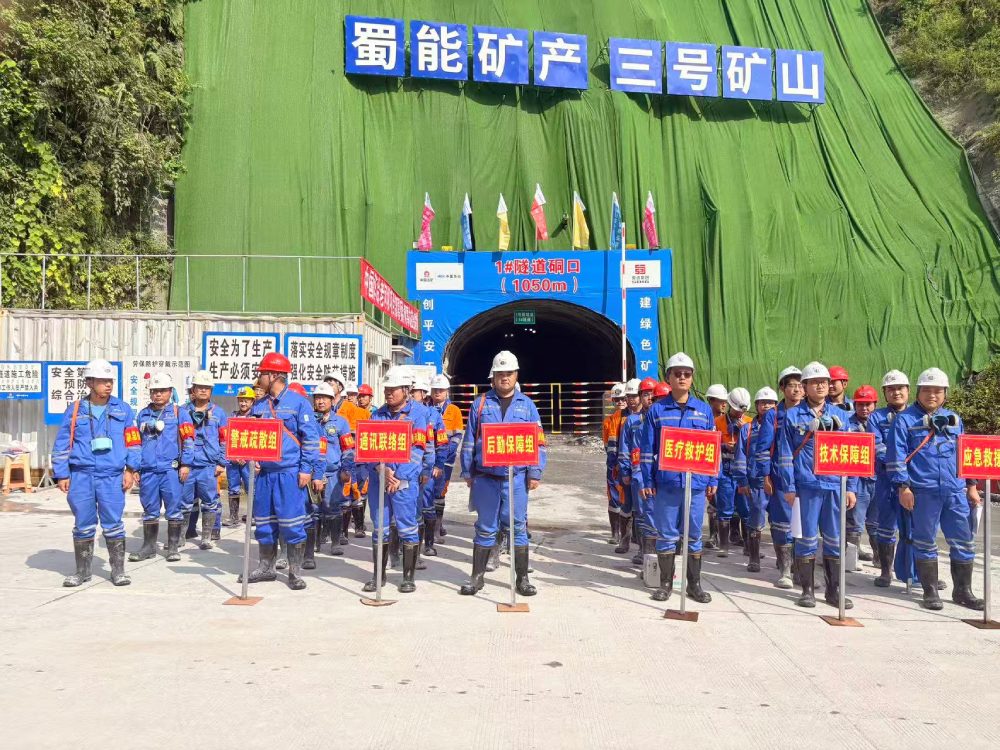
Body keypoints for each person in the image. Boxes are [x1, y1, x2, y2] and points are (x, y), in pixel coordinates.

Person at [886, 368, 984, 611]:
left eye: (938, 391)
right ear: (918, 392)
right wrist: (903, 487)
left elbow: (965, 454)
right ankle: (929, 591)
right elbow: (896, 457)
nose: (932, 395)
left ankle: (963, 591)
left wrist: (972, 486)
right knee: (925, 541)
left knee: (964, 540)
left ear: (945, 394)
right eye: (927, 390)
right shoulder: (904, 420)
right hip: (923, 491)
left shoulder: (954, 419)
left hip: (954, 491)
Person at [460, 351, 547, 597]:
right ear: (493, 377)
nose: (504, 378)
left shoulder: (527, 406)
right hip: (486, 478)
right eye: (500, 374)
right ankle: (477, 578)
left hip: (516, 478)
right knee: (485, 527)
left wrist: (535, 472)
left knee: (518, 527)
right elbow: (469, 440)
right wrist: (467, 470)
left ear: (516, 375)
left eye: (509, 373)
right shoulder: (480, 404)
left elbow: (539, 442)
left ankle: (522, 579)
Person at [777, 362, 859, 609]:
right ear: (805, 387)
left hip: (835, 485)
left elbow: (852, 454)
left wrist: (851, 487)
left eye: (824, 382)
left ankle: (834, 592)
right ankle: (807, 591)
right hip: (807, 486)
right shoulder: (792, 416)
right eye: (814, 382)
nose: (821, 386)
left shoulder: (842, 416)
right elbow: (785, 454)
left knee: (834, 539)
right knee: (806, 539)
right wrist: (789, 487)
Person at [52, 359, 141, 587]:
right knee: (83, 524)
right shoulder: (75, 410)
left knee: (113, 523)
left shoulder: (123, 409)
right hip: (81, 475)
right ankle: (82, 572)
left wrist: (131, 469)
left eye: (110, 380)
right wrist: (62, 474)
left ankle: (118, 571)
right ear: (90, 383)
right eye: (102, 381)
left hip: (111, 476)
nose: (108, 385)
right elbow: (62, 443)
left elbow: (133, 442)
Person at [639, 352, 718, 603]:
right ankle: (665, 584)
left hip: (696, 485)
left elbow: (712, 449)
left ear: (692, 378)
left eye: (687, 374)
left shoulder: (704, 411)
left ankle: (694, 585)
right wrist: (647, 480)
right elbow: (647, 449)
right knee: (666, 535)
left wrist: (713, 480)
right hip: (668, 484)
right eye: (677, 374)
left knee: (694, 535)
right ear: (669, 378)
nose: (682, 378)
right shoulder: (657, 411)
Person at [243, 353, 321, 591]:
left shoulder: (299, 403)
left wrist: (306, 469)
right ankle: (266, 567)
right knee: (264, 523)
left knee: (291, 523)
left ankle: (294, 572)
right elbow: (253, 436)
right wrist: (253, 459)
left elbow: (311, 439)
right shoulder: (259, 405)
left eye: (262, 374)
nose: (259, 378)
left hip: (289, 473)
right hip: (265, 474)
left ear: (274, 375)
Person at [358, 369, 428, 594]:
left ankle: (408, 577)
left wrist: (400, 475)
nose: (388, 393)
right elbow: (366, 447)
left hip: (403, 482)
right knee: (380, 527)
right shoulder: (377, 415)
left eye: (393, 389)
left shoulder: (418, 415)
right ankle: (378, 575)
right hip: (379, 480)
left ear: (406, 390)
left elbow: (418, 450)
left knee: (407, 527)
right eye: (387, 389)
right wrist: (380, 468)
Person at [131, 374, 194, 562]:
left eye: (162, 391)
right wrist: (135, 468)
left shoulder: (179, 413)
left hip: (170, 470)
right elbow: (136, 443)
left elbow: (188, 439)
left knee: (174, 508)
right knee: (149, 509)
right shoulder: (143, 414)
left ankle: (173, 548)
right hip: (148, 470)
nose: (158, 394)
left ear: (170, 392)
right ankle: (148, 547)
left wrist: (186, 464)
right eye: (154, 391)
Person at [180, 370, 228, 550]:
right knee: (184, 502)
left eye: (206, 388)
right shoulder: (183, 411)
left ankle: (206, 537)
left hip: (208, 465)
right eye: (199, 387)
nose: (202, 390)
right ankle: (182, 535)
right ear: (193, 389)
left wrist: (221, 462)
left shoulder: (219, 413)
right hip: (187, 465)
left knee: (210, 501)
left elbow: (224, 439)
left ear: (211, 391)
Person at [765, 366, 803, 588]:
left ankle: (802, 571)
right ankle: (785, 570)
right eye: (791, 386)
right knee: (782, 524)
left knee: (804, 525)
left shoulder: (811, 414)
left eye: (800, 385)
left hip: (805, 477)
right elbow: (763, 448)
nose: (796, 390)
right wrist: (765, 476)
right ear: (782, 388)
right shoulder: (773, 415)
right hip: (779, 477)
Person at [733, 387, 778, 574]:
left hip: (778, 482)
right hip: (756, 482)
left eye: (770, 403)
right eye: (762, 403)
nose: (766, 406)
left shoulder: (782, 426)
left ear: (776, 406)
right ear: (756, 405)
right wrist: (742, 481)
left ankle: (783, 560)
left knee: (779, 521)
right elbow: (740, 455)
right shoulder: (748, 428)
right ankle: (753, 558)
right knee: (756, 519)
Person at [311, 382, 355, 563]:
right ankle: (314, 543)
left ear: (332, 400)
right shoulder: (308, 420)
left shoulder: (341, 422)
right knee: (313, 509)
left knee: (333, 507)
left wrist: (346, 469)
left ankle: (335, 542)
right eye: (317, 398)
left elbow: (348, 449)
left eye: (324, 398)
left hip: (333, 472)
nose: (320, 401)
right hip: (312, 473)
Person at [619, 379, 654, 567]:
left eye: (652, 394)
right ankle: (643, 550)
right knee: (640, 512)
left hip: (658, 473)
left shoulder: (661, 419)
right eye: (646, 394)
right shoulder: (632, 421)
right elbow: (624, 447)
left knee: (658, 513)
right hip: (638, 473)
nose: (650, 398)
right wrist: (625, 470)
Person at [411, 377, 446, 563]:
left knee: (427, 506)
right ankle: (408, 547)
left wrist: (438, 465)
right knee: (409, 510)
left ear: (423, 394)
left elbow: (441, 443)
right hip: (407, 468)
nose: (410, 394)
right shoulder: (403, 413)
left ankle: (429, 544)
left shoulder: (433, 415)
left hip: (427, 468)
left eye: (414, 392)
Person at [715, 387, 752, 558]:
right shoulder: (718, 422)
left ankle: (749, 546)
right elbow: (711, 443)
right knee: (724, 507)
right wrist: (723, 446)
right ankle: (723, 546)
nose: (740, 413)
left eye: (742, 410)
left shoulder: (750, 423)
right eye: (737, 409)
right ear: (730, 405)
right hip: (725, 470)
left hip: (743, 472)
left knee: (746, 509)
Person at [847, 385, 880, 569]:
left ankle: (879, 558)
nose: (864, 408)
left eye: (868, 404)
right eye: (860, 404)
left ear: (875, 404)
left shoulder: (882, 423)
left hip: (878, 478)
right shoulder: (847, 424)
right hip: (857, 479)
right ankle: (851, 560)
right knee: (854, 521)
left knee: (876, 521)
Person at [429, 374, 464, 542]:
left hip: (446, 458)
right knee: (427, 490)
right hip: (428, 457)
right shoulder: (425, 409)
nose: (437, 393)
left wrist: (447, 452)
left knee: (441, 491)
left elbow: (457, 435)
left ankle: (437, 527)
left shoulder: (454, 410)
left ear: (447, 392)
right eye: (435, 390)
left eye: (441, 390)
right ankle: (431, 525)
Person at [224, 386, 256, 528]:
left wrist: (247, 456)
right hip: (233, 460)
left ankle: (253, 515)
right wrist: (233, 456)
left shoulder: (256, 418)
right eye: (241, 400)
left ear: (252, 402)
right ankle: (233, 517)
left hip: (249, 460)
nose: (243, 403)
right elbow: (227, 438)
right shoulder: (232, 417)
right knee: (233, 488)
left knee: (251, 488)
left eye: (246, 401)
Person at [602, 382, 628, 545]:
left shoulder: (633, 418)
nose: (620, 402)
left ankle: (629, 535)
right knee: (613, 498)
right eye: (617, 399)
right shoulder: (608, 421)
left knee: (629, 500)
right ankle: (615, 533)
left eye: (623, 398)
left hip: (629, 465)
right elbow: (607, 445)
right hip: (613, 466)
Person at [703, 383, 728, 550]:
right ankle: (713, 536)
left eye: (725, 401)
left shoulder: (729, 420)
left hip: (727, 466)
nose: (724, 404)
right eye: (720, 401)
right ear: (711, 401)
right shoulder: (705, 419)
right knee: (712, 501)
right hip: (710, 465)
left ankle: (731, 535)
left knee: (726, 503)